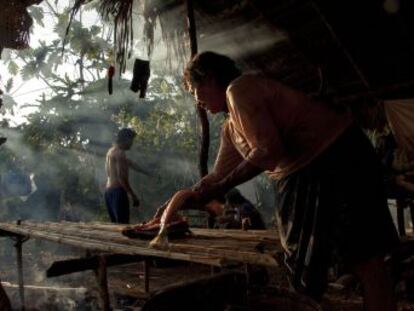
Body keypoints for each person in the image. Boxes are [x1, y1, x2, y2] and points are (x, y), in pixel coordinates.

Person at [165, 51, 399, 310]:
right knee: (308, 266)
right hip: (305, 173)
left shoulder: (240, 89)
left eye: (195, 91)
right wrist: (183, 200)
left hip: (338, 157)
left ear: (209, 79)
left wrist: (220, 188)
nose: (198, 102)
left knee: (364, 255)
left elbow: (268, 151)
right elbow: (218, 175)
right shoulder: (231, 126)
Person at [105, 128, 149, 224]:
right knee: (122, 225)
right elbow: (122, 178)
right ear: (126, 140)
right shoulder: (120, 153)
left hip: (108, 192)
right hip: (117, 192)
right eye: (131, 141)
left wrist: (146, 172)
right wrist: (133, 196)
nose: (132, 144)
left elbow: (129, 163)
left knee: (115, 225)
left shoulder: (111, 151)